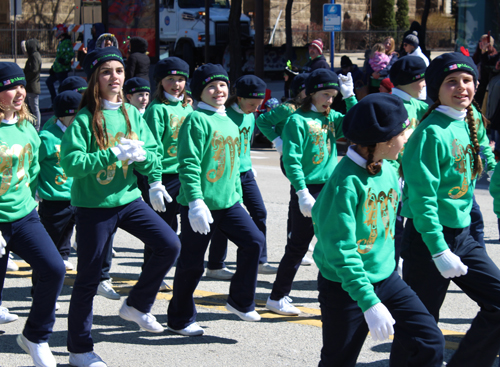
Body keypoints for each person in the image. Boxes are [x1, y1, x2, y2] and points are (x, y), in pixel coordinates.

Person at [61, 47, 181, 367]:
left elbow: (153, 155)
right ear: (94, 80)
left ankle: (136, 305)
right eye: (106, 72)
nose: (114, 77)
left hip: (129, 201)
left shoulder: (132, 114)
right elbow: (71, 164)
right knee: (88, 278)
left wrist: (148, 169)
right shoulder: (86, 117)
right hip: (94, 207)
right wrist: (112, 155)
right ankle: (79, 350)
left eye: (118, 71)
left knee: (169, 243)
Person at [313, 93, 445, 367]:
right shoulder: (344, 184)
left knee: (429, 340)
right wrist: (368, 302)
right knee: (339, 361)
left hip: (386, 279)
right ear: (382, 141)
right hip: (346, 286)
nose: (407, 136)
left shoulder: (388, 165)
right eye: (403, 131)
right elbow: (340, 250)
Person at [396, 52, 500, 367]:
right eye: (451, 82)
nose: (461, 88)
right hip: (428, 240)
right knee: (421, 327)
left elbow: (490, 164)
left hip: (463, 235)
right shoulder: (429, 133)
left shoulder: (472, 121)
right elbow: (422, 200)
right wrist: (439, 250)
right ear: (435, 89)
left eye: (467, 80)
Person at [167, 64, 265, 336]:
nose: (218, 90)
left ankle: (240, 300)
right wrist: (196, 202)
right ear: (200, 92)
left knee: (254, 241)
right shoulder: (196, 120)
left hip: (229, 204)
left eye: (222, 85)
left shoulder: (229, 121)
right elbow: (188, 163)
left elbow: (233, 166)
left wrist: (238, 197)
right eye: (211, 86)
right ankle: (179, 318)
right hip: (200, 206)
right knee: (192, 264)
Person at [265, 69, 357, 316]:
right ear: (311, 92)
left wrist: (350, 96)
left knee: (337, 241)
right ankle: (277, 296)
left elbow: (357, 123)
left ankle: (339, 293)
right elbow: (292, 161)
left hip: (330, 187)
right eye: (325, 94)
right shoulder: (297, 120)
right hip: (308, 190)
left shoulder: (332, 117)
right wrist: (302, 191)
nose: (329, 99)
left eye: (333, 95)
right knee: (298, 245)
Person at [0, 62, 66, 367]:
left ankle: (34, 337)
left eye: (21, 85)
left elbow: (35, 171)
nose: (19, 92)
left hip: (24, 216)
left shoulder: (28, 125)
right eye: (10, 87)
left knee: (54, 269)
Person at [206, 75, 277, 279]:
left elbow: (245, 145)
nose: (255, 108)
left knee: (259, 212)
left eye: (259, 104)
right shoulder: (224, 115)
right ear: (238, 98)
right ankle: (215, 265)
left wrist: (249, 165)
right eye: (252, 104)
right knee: (223, 216)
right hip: (227, 174)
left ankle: (260, 259)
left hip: (245, 172)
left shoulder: (250, 115)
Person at [141, 57, 192, 291]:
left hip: (186, 175)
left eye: (181, 79)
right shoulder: (156, 109)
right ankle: (152, 273)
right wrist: (155, 182)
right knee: (163, 228)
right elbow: (153, 149)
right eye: (170, 79)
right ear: (160, 82)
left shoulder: (187, 107)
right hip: (165, 177)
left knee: (187, 228)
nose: (176, 84)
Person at [36, 91, 82, 281]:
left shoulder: (80, 135)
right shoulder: (46, 137)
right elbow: (33, 166)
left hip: (77, 198)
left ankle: (56, 282)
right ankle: (39, 288)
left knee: (65, 246)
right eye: (75, 116)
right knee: (47, 249)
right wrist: (35, 191)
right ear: (61, 116)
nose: (79, 120)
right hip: (54, 203)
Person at [46, 24, 73, 104]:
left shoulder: (66, 42)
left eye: (56, 31)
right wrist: (53, 68)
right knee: (49, 82)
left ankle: (64, 103)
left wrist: (65, 61)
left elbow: (70, 53)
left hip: (62, 70)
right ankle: (54, 101)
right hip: (57, 69)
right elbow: (58, 57)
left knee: (63, 87)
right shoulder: (61, 42)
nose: (55, 33)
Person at [23, 39, 42, 130]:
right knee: (28, 106)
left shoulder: (34, 56)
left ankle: (37, 127)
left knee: (34, 108)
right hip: (32, 85)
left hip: (32, 86)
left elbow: (34, 70)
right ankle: (29, 123)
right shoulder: (35, 55)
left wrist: (25, 75)